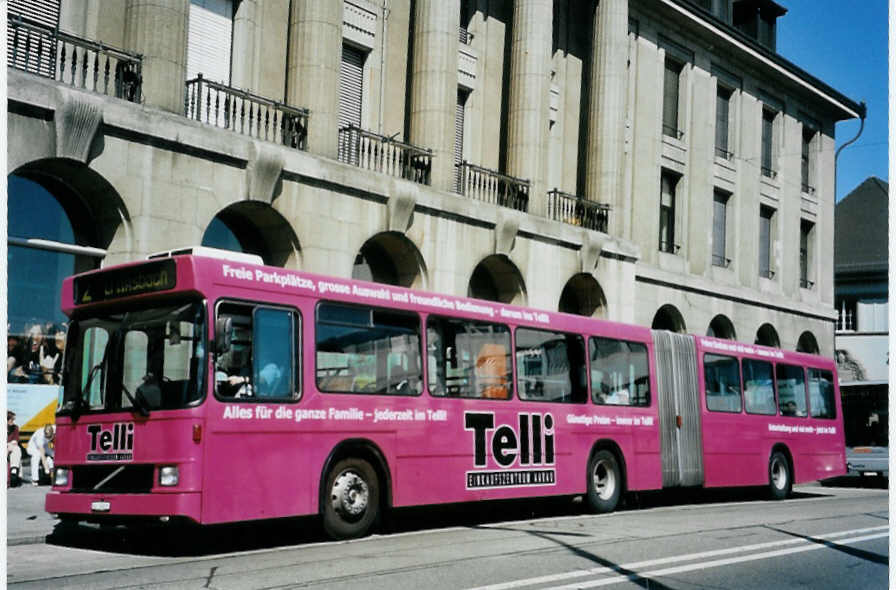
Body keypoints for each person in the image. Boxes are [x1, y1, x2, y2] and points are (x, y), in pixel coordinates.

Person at [8, 411, 22, 487]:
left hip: (12, 446)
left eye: (13, 420)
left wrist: (12, 444)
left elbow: (16, 439)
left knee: (17, 449)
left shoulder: (15, 427)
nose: (13, 422)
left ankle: (14, 468)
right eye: (11, 420)